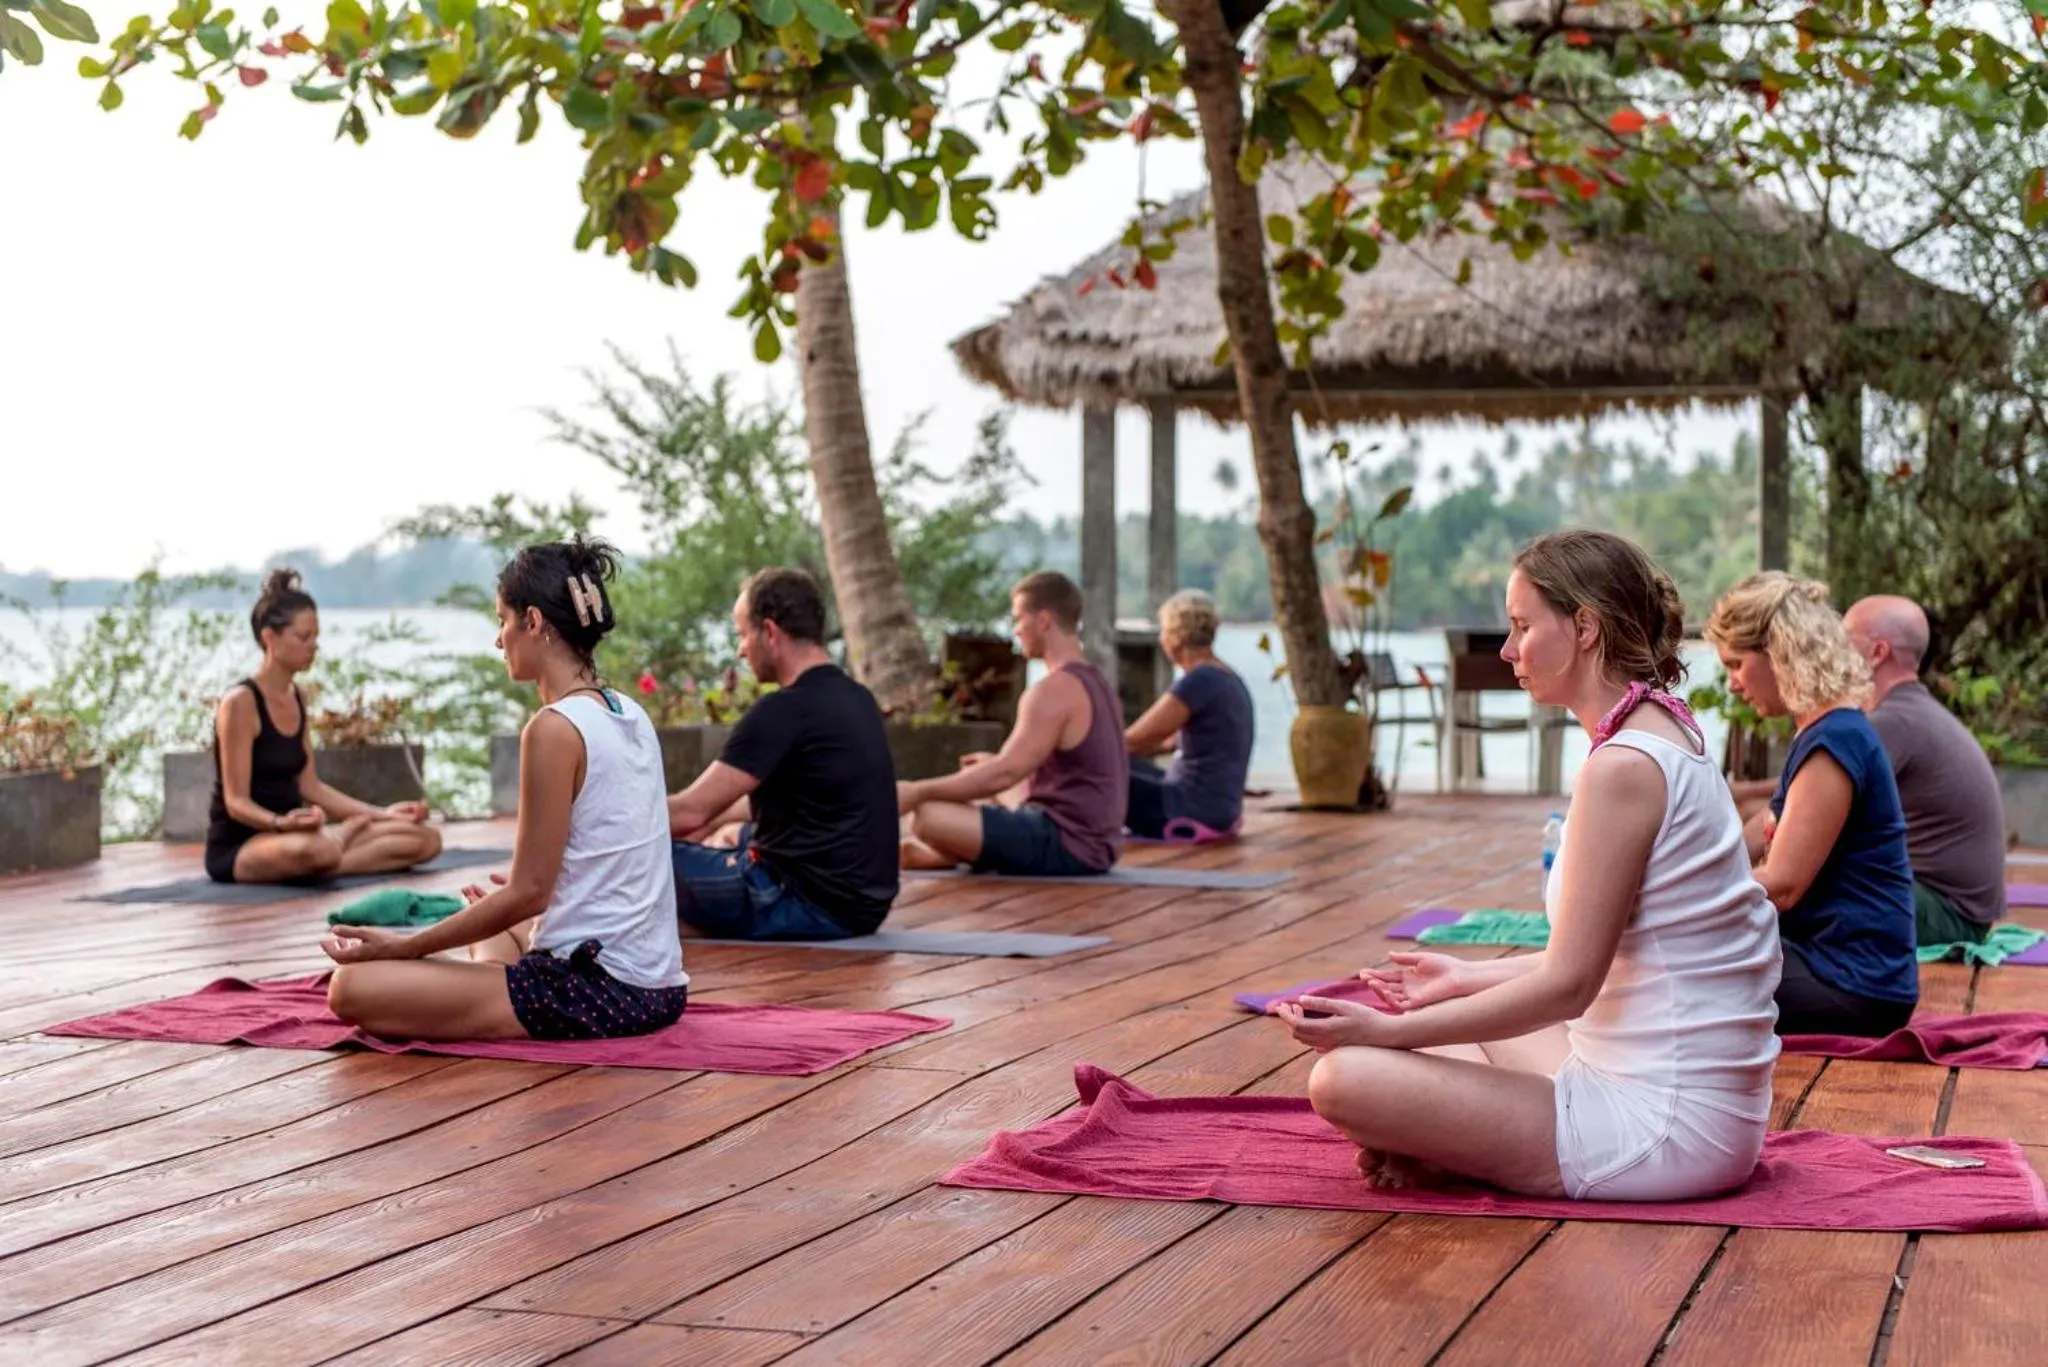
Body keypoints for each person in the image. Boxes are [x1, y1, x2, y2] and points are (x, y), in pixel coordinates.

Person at [1278, 531, 1781, 1202]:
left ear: (1584, 626)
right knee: (1440, 1039)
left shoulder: (1625, 768)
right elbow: (1615, 958)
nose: (1508, 650)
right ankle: (1440, 1143)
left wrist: (1386, 1029)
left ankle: (1448, 1149)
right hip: (1680, 1097)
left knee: (1344, 1077)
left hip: (1664, 1129)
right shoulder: (1667, 729)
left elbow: (1569, 985)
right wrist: (1466, 976)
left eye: (1520, 626)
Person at [324, 537, 687, 1041]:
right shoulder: (628, 712)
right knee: (490, 923)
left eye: (502, 620)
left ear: (534, 622)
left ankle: (480, 987)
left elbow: (528, 892)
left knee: (350, 987)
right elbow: (585, 863)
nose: (499, 640)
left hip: (601, 991)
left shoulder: (553, 729)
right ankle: (484, 984)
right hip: (662, 986)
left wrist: (404, 946)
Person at [1706, 573, 1918, 1037]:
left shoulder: (1835, 740)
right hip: (1830, 963)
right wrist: (1687, 870)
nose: (1733, 685)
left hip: (1854, 983)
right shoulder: (1823, 729)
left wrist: (1683, 903)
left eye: (1736, 664)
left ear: (1780, 652)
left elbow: (1781, 885)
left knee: (1665, 981)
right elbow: (1765, 826)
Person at [665, 568, 900, 940]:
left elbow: (690, 812)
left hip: (800, 902)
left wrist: (594, 824)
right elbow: (806, 802)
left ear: (770, 632)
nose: (741, 649)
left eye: (743, 634)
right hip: (863, 907)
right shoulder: (858, 698)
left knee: (636, 857)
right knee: (731, 833)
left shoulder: (783, 711)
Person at [204, 569, 442, 885]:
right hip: (246, 844)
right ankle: (333, 845)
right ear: (269, 638)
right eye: (304, 637)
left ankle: (331, 850)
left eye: (316, 636)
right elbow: (236, 803)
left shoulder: (296, 697)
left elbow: (311, 787)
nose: (314, 646)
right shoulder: (240, 703)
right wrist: (281, 823)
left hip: (302, 836)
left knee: (425, 839)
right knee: (317, 850)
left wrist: (383, 814)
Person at [899, 571, 1126, 875]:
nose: (1016, 630)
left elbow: (1003, 774)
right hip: (1098, 844)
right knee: (978, 771)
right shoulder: (1096, 682)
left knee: (927, 814)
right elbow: (1010, 771)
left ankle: (943, 852)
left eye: (1019, 619)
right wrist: (991, 767)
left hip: (1066, 844)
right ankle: (945, 853)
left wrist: (916, 791)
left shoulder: (1052, 691)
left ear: (1043, 621)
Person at [1843, 594, 2009, 945]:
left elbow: (1814, 798)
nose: (1833, 652)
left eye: (1844, 641)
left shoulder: (1895, 722)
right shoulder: (1910, 712)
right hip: (1952, 906)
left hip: (1949, 915)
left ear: (1877, 652)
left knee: (1816, 889)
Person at [1123, 589, 1256, 841]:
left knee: (1096, 771)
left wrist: (1081, 752)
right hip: (1220, 809)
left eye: (1163, 631)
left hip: (1187, 808)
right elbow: (1166, 743)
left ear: (1175, 639)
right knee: (1121, 764)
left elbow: (1136, 738)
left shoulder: (1198, 681)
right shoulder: (1228, 678)